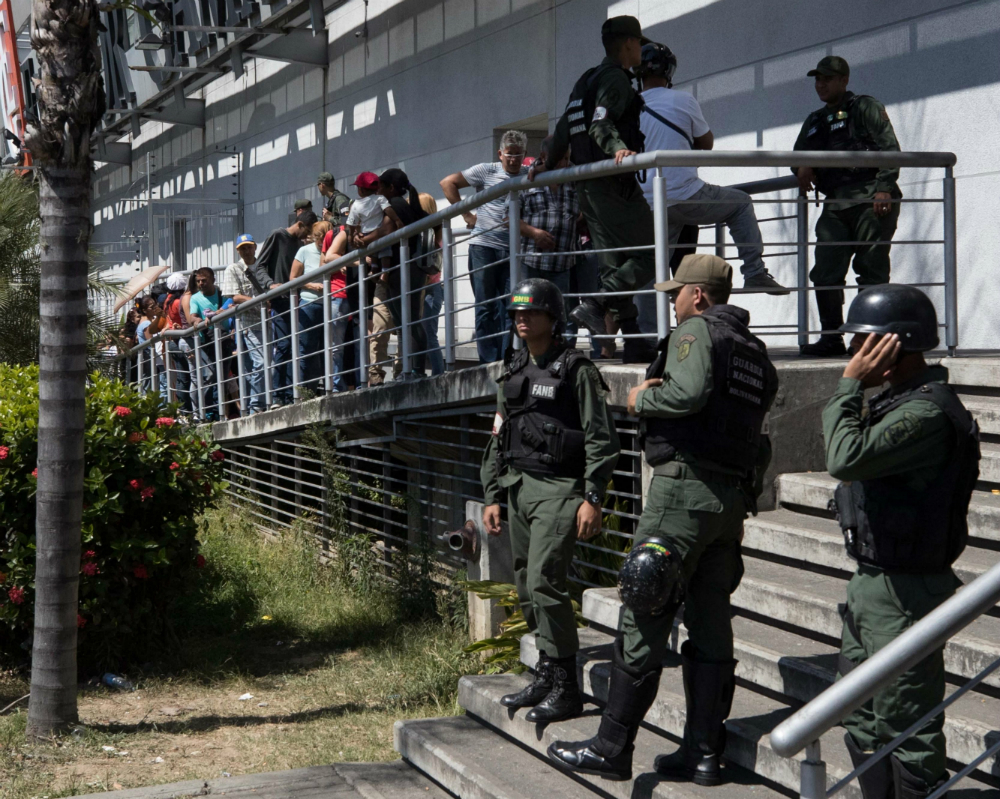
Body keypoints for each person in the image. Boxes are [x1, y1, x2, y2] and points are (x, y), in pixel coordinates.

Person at [548, 254, 778, 784]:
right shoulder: (753, 351)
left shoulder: (696, 332)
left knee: (644, 605)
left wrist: (641, 398)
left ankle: (611, 746)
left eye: (676, 292)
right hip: (728, 501)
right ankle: (703, 754)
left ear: (698, 295)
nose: (671, 301)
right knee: (711, 621)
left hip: (682, 493)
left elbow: (690, 393)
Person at [823, 285, 979, 799]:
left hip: (906, 592)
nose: (854, 354)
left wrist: (848, 387)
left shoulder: (927, 414)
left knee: (905, 725)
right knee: (860, 713)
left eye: (863, 343)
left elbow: (845, 458)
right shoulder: (897, 402)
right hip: (874, 580)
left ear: (894, 345)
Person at [481, 278, 620, 724]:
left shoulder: (577, 370)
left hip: (561, 490)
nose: (522, 319)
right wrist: (493, 493)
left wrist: (593, 498)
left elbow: (601, 438)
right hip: (520, 487)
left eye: (531, 313)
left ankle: (566, 686)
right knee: (524, 583)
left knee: (544, 580)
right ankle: (546, 669)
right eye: (517, 314)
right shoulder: (515, 366)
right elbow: (498, 437)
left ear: (552, 317)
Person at [536, 16, 657, 363]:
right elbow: (600, 125)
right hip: (612, 183)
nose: (641, 51)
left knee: (612, 264)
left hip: (586, 184)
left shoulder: (585, 80)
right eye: (639, 44)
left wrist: (549, 162)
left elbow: (564, 129)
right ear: (630, 44)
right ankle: (595, 303)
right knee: (650, 250)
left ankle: (633, 339)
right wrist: (619, 147)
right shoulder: (616, 79)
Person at [636, 42, 786, 295]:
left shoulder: (630, 105)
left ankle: (649, 327)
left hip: (648, 201)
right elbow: (706, 143)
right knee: (740, 203)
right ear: (669, 71)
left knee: (651, 275)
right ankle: (755, 272)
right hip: (685, 196)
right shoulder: (683, 99)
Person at [793, 56, 902, 358]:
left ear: (844, 80)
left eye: (827, 78)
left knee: (871, 270)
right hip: (836, 203)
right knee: (826, 271)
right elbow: (796, 154)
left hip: (870, 197)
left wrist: (884, 188)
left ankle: (867, 340)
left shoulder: (864, 107)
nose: (821, 84)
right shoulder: (815, 120)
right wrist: (801, 165)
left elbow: (890, 149)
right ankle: (831, 338)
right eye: (817, 79)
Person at [440, 130, 529, 364]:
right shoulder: (487, 170)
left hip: (513, 249)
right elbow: (448, 183)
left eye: (518, 155)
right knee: (485, 304)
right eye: (509, 155)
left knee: (511, 305)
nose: (513, 160)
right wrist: (467, 215)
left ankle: (506, 357)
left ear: (524, 155)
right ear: (500, 154)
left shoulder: (529, 175)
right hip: (484, 246)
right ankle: (488, 361)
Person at [373, 168, 429, 382]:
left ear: (391, 188)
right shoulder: (407, 205)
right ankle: (412, 369)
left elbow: (385, 233)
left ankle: (415, 370)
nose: (377, 190)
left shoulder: (394, 206)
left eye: (380, 186)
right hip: (407, 269)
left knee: (410, 321)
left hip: (402, 270)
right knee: (406, 320)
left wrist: (365, 240)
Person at [257, 213, 317, 407]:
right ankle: (278, 395)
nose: (306, 236)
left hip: (298, 300)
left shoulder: (301, 245)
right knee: (283, 346)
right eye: (306, 231)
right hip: (281, 300)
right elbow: (259, 266)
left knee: (298, 346)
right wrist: (270, 284)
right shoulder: (277, 235)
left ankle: (293, 394)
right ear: (299, 224)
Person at [518, 136, 580, 295]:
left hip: (562, 265)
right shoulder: (525, 178)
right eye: (559, 158)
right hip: (530, 263)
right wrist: (534, 233)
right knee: (527, 308)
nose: (564, 163)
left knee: (558, 316)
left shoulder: (576, 175)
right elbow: (508, 219)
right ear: (544, 156)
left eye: (567, 158)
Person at [221, 233, 272, 414]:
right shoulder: (233, 269)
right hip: (249, 322)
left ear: (255, 247)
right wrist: (259, 301)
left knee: (259, 365)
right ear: (238, 251)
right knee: (259, 363)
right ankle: (257, 405)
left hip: (271, 319)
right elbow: (233, 296)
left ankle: (258, 404)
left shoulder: (264, 265)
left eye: (249, 246)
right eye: (242, 248)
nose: (247, 250)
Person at [290, 220, 333, 393]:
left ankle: (326, 388)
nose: (321, 242)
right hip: (309, 303)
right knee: (306, 349)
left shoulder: (334, 250)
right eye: (319, 238)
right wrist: (312, 286)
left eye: (325, 238)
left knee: (328, 348)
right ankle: (305, 391)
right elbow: (293, 279)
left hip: (331, 304)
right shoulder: (304, 251)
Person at [189, 266, 227, 421]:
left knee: (222, 376)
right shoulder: (195, 298)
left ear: (213, 279)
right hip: (207, 340)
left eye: (204, 280)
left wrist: (223, 311)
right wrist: (198, 320)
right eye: (198, 281)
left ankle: (220, 411)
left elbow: (230, 306)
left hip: (224, 339)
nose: (200, 284)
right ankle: (207, 410)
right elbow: (192, 316)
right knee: (210, 375)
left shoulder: (221, 294)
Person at [346, 171, 400, 275]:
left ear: (361, 190)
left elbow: (351, 223)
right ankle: (385, 272)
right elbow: (388, 210)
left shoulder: (356, 204)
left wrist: (351, 237)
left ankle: (374, 268)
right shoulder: (380, 199)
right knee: (385, 251)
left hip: (366, 234)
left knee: (373, 254)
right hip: (378, 232)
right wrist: (397, 220)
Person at [416, 193, 445, 376]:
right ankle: (435, 372)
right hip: (431, 288)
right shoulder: (436, 231)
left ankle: (438, 373)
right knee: (427, 334)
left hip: (430, 289)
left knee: (429, 335)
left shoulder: (431, 233)